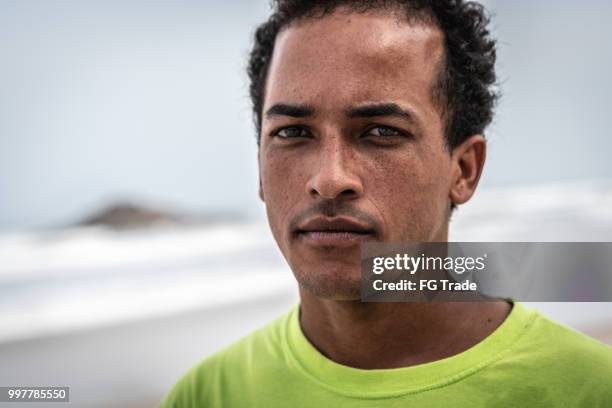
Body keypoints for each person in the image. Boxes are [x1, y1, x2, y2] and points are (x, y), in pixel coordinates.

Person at [160, 0, 612, 406]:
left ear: (464, 170)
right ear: (260, 168)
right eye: (292, 132)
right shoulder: (210, 394)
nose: (329, 179)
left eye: (381, 131)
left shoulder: (588, 389)